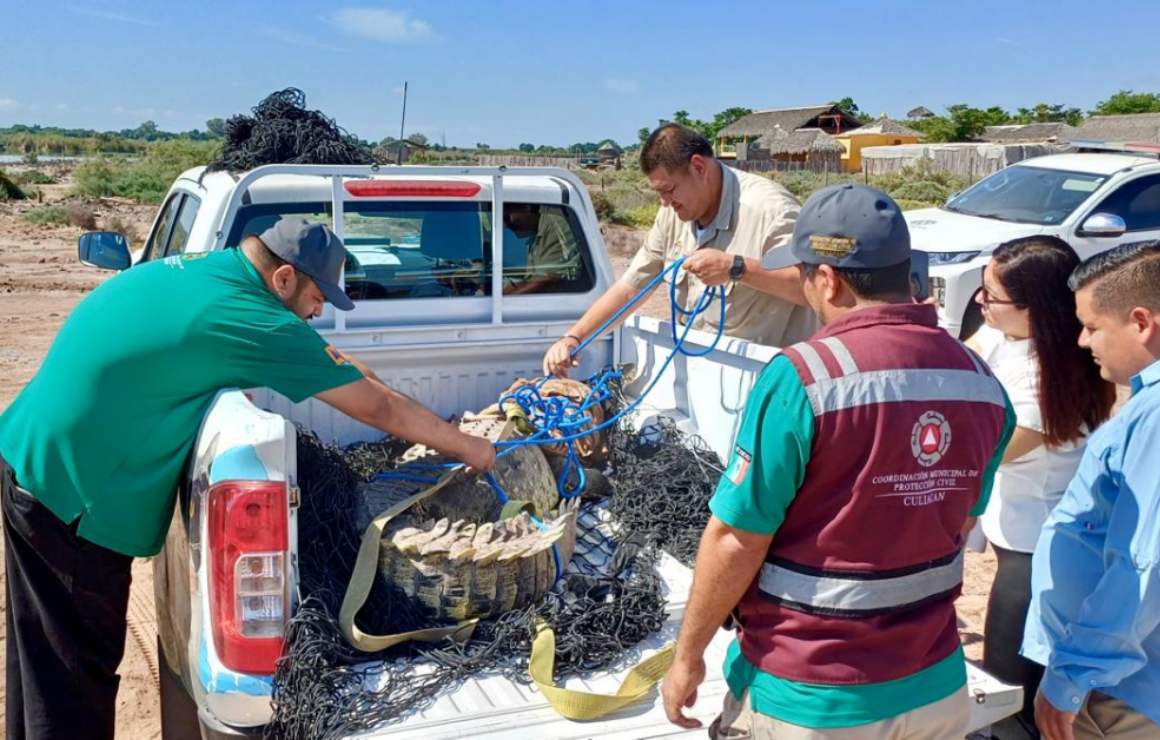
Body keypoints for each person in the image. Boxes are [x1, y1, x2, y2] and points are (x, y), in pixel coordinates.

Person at [0, 217, 495, 740]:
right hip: (75, 497)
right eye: (318, 295)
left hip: (33, 456)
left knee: (40, 656)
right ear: (283, 278)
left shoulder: (209, 273)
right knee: (73, 677)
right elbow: (377, 409)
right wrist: (471, 448)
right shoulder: (250, 319)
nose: (320, 309)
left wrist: (392, 393)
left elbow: (342, 367)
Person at [660, 184, 1015, 739]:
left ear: (827, 279)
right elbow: (959, 519)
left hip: (811, 696)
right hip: (936, 688)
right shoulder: (982, 382)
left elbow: (737, 537)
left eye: (804, 275)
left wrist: (688, 655)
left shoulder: (804, 377)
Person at [1021, 240, 1160, 740]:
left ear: (1141, 321)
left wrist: (1074, 674)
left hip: (1140, 691)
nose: (1082, 341)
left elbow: (1149, 561)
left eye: (1093, 326)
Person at [968, 236, 1114, 739]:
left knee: (1009, 688)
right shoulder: (1006, 336)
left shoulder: (1046, 376)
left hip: (1037, 552)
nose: (980, 302)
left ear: (1035, 309)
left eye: (991, 296)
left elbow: (981, 454)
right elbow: (967, 353)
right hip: (1013, 539)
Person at [543, 123, 817, 376]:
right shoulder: (674, 213)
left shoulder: (771, 211)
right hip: (703, 376)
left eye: (669, 190)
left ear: (698, 167)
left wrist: (737, 268)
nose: (664, 203)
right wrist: (575, 338)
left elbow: (812, 290)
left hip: (763, 382)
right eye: (658, 193)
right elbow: (632, 287)